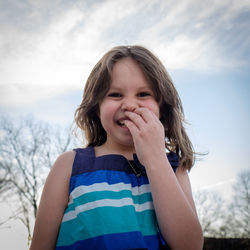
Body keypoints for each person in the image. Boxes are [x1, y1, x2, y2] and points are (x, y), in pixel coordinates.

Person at [30, 45, 203, 250]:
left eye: (143, 94)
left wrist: (155, 159)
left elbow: (190, 245)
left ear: (162, 108)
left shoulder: (175, 169)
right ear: (96, 107)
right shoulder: (70, 166)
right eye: (115, 95)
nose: (130, 105)